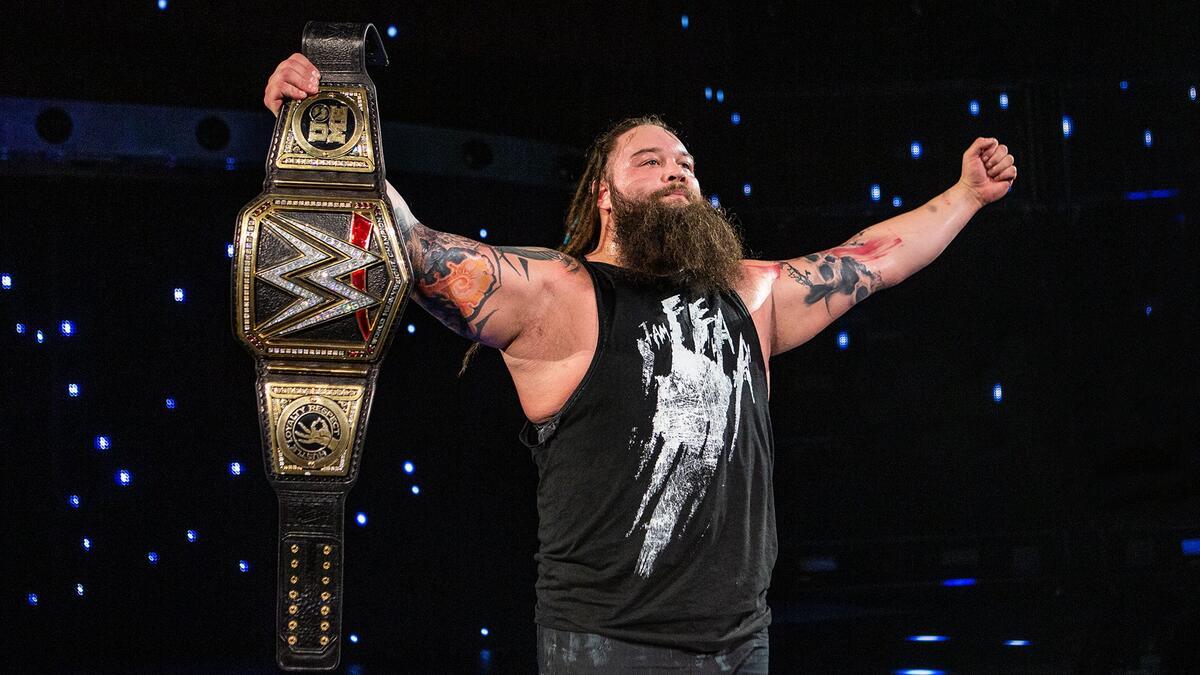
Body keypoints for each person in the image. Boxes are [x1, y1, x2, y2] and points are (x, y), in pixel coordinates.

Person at [264, 53, 1017, 673]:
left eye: (686, 163)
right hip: (610, 647)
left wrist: (964, 195)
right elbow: (419, 250)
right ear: (606, 197)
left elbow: (872, 259)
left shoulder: (750, 296)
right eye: (650, 161)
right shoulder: (563, 295)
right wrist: (324, 136)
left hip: (739, 644)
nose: (677, 172)